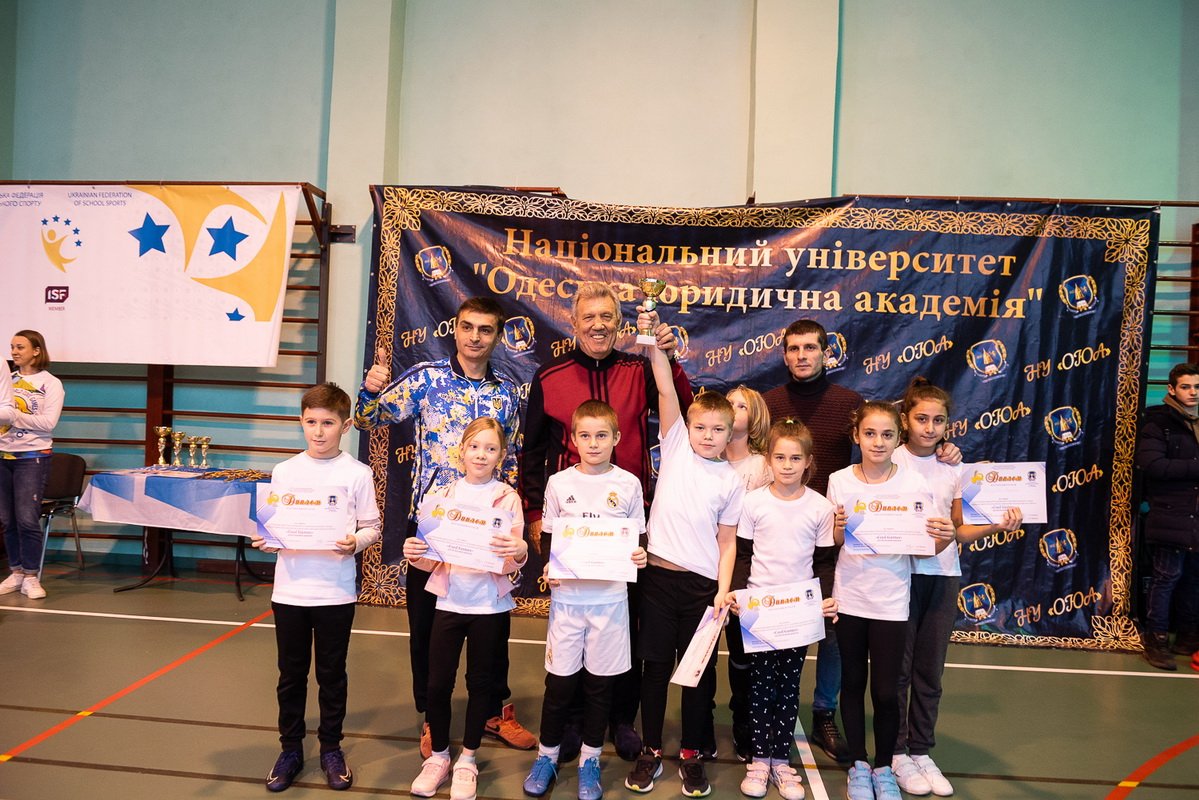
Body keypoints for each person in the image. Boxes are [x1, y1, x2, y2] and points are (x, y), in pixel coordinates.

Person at [761, 319, 959, 764]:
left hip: (842, 542)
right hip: (787, 534)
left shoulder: (851, 403)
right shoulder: (769, 403)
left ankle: (824, 713)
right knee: (780, 631)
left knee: (834, 640)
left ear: (826, 352)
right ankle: (766, 722)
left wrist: (945, 448)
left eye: (811, 347)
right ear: (785, 354)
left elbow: (895, 450)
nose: (802, 355)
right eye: (793, 348)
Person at [520, 281, 692, 761]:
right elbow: (531, 451)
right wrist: (534, 513)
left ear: (620, 323)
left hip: (627, 525)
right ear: (574, 324)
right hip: (572, 531)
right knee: (573, 623)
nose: (598, 325)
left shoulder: (640, 369)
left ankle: (620, 718)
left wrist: (668, 357)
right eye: (589, 317)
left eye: (607, 317)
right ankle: (574, 719)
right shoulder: (549, 376)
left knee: (626, 623)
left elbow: (682, 406)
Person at [354, 297, 533, 754]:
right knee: (427, 626)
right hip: (434, 529)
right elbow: (367, 420)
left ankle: (493, 710)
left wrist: (510, 521)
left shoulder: (508, 392)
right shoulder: (426, 379)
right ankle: (432, 718)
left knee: (492, 627)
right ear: (456, 329)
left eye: (486, 330)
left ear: (497, 337)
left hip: (488, 530)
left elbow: (512, 457)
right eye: (468, 327)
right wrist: (370, 390)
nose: (475, 337)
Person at [623, 307, 743, 798]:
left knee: (698, 675)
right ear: (687, 427)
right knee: (654, 670)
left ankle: (692, 753)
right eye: (701, 427)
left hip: (701, 590)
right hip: (657, 581)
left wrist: (722, 593)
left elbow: (727, 541)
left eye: (718, 429)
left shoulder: (731, 480)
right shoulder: (673, 445)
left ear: (731, 433)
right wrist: (653, 337)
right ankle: (651, 749)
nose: (708, 436)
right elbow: (665, 388)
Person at [890, 378, 1022, 797]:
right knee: (898, 671)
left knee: (930, 670)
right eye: (921, 419)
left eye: (938, 420)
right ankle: (896, 752)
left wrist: (996, 525)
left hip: (943, 577)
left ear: (948, 425)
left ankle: (921, 750)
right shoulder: (888, 459)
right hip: (897, 577)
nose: (929, 428)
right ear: (905, 420)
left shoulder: (955, 468)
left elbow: (960, 530)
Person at [250, 383, 381, 792]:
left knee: (331, 675)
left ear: (345, 426)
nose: (319, 431)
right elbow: (274, 525)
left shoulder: (357, 473)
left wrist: (354, 542)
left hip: (335, 593)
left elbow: (372, 527)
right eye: (311, 422)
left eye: (328, 423)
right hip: (290, 592)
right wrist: (268, 539)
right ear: (301, 422)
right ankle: (290, 749)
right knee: (291, 675)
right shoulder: (285, 471)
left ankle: (330, 748)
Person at [826, 401, 954, 800]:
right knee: (852, 683)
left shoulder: (913, 483)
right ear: (856, 436)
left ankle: (884, 766)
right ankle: (859, 765)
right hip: (850, 598)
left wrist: (945, 537)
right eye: (869, 433)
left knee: (885, 691)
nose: (877, 442)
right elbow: (835, 542)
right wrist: (838, 529)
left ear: (898, 437)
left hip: (892, 602)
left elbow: (926, 546)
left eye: (886, 435)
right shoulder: (839, 480)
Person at [522, 400, 648, 800]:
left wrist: (639, 556)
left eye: (601, 435)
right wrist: (550, 566)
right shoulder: (559, 483)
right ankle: (546, 756)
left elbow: (638, 540)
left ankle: (590, 760)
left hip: (610, 603)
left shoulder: (628, 484)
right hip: (568, 603)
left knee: (598, 687)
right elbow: (550, 538)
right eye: (585, 435)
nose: (593, 443)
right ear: (573, 439)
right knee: (559, 685)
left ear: (617, 438)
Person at [403, 417, 529, 800]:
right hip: (449, 603)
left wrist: (520, 552)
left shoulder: (507, 499)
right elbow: (430, 556)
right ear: (462, 451)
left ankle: (468, 760)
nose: (481, 454)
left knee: (481, 684)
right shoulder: (442, 496)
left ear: (501, 455)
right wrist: (415, 553)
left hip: (488, 607)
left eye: (490, 449)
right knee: (438, 683)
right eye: (474, 446)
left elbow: (513, 557)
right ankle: (439, 757)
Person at [725, 419, 838, 800]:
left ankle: (780, 760)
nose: (787, 465)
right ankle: (759, 760)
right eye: (779, 457)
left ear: (808, 461)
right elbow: (743, 554)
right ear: (768, 461)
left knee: (788, 687)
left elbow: (823, 561)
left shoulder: (820, 507)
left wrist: (824, 597)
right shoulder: (753, 502)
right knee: (760, 687)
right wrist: (739, 593)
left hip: (798, 614)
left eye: (795, 458)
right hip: (760, 611)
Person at [1135, 362, 1199, 671]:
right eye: (1186, 386)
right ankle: (1156, 640)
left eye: (1197, 387)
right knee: (1166, 578)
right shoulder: (1157, 422)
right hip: (1170, 513)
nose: (1193, 392)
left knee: (1193, 578)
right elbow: (1153, 466)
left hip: (1195, 516)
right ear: (1172, 389)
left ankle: (1187, 636)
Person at [723, 385, 773, 761]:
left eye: (742, 405)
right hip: (706, 566)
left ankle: (745, 722)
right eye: (728, 403)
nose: (733, 409)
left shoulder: (762, 466)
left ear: (754, 417)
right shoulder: (706, 457)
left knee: (744, 654)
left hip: (747, 571)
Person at [0, 330, 65, 601]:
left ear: (36, 350)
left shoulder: (50, 383)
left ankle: (31, 576)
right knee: (7, 520)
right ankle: (15, 572)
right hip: (3, 456)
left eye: (21, 347)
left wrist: (14, 416)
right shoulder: (8, 379)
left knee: (27, 519)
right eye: (12, 347)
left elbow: (48, 423)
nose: (14, 352)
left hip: (32, 457)